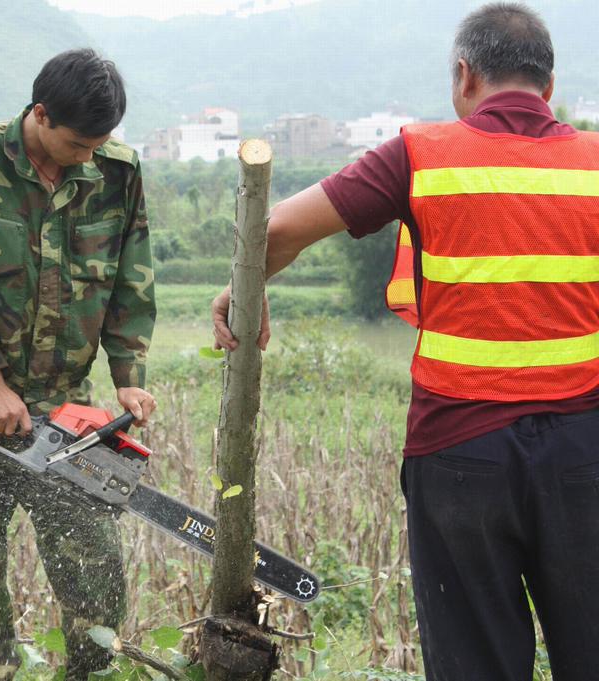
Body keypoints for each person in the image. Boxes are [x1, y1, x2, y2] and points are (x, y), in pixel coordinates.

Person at [211, 4, 599, 680]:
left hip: (459, 459)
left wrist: (243, 289)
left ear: (463, 74)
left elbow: (274, 231)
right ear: (550, 83)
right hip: (585, 453)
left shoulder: (420, 154)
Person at [0, 48, 157, 681]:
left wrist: (129, 379)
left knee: (94, 566)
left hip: (69, 404)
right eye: (79, 143)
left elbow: (133, 278)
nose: (88, 156)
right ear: (41, 114)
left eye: (99, 142)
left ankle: (92, 675)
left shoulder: (118, 171)